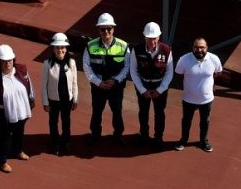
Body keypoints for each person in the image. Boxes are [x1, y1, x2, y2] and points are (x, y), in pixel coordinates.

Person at [83, 12, 130, 145]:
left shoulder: (123, 46)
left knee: (117, 111)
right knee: (97, 111)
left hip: (116, 87)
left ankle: (118, 134)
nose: (106, 31)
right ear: (98, 30)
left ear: (113, 29)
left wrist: (115, 80)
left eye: (109, 28)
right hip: (98, 87)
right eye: (103, 29)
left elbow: (126, 67)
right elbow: (86, 66)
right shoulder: (90, 46)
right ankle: (95, 134)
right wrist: (98, 83)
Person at [127, 22, 173, 151]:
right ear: (144, 37)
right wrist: (142, 90)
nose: (152, 41)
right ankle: (144, 136)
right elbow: (133, 71)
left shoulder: (167, 50)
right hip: (143, 85)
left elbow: (169, 72)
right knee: (143, 112)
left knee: (159, 113)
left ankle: (158, 137)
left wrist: (160, 89)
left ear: (159, 37)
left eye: (154, 38)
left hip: (160, 86)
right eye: (149, 38)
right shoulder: (136, 50)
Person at [173, 37, 222, 153]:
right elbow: (178, 74)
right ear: (192, 48)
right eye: (196, 47)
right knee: (186, 120)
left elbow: (218, 73)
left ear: (207, 48)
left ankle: (203, 141)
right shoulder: (184, 60)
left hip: (206, 99)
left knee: (205, 121)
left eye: (202, 47)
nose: (199, 50)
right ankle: (184, 140)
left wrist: (208, 84)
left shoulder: (214, 59)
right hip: (188, 98)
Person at [0, 44, 34, 173]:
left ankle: (18, 150)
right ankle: (2, 160)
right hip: (4, 113)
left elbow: (29, 85)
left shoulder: (21, 70)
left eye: (9, 60)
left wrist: (31, 99)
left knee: (19, 132)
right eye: (3, 61)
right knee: (3, 137)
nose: (7, 64)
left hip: (21, 108)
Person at [41, 32, 80, 155]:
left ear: (66, 48)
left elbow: (74, 82)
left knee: (66, 120)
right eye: (57, 47)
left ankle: (66, 140)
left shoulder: (72, 63)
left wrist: (75, 99)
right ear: (53, 49)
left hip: (67, 99)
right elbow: (44, 85)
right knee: (53, 121)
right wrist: (45, 102)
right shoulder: (47, 64)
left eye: (62, 47)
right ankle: (55, 141)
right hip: (53, 99)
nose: (60, 50)